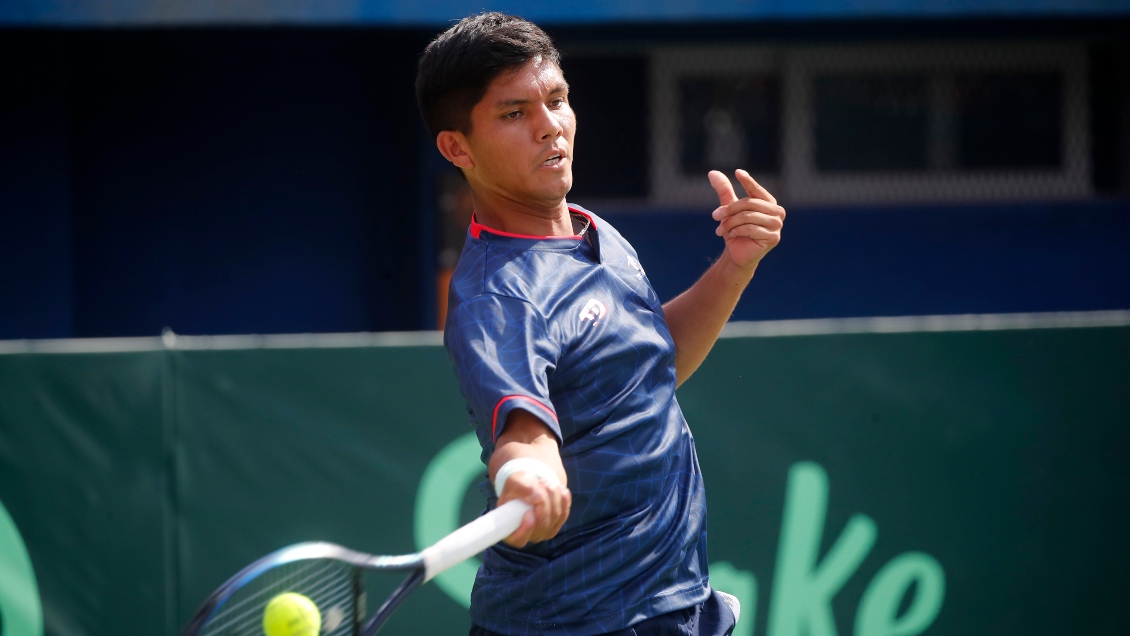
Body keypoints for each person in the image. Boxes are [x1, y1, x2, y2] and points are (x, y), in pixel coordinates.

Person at [417, 13, 785, 636]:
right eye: (514, 114)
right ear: (457, 147)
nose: (549, 127)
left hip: (666, 600)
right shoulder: (500, 298)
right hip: (576, 622)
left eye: (557, 101)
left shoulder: (592, 231)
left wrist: (733, 268)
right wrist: (526, 472)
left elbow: (651, 365)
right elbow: (523, 433)